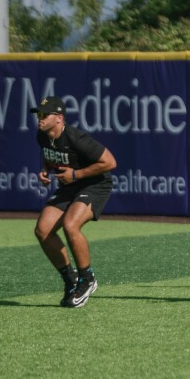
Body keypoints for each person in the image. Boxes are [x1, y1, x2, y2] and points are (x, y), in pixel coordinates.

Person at [31, 96, 116, 308]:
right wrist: (45, 169)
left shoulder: (76, 137)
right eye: (38, 114)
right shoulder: (42, 135)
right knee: (42, 230)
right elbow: (49, 154)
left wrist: (77, 175)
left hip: (95, 184)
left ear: (59, 118)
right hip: (71, 185)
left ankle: (87, 279)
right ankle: (70, 279)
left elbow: (110, 162)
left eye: (44, 114)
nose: (39, 118)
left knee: (71, 225)